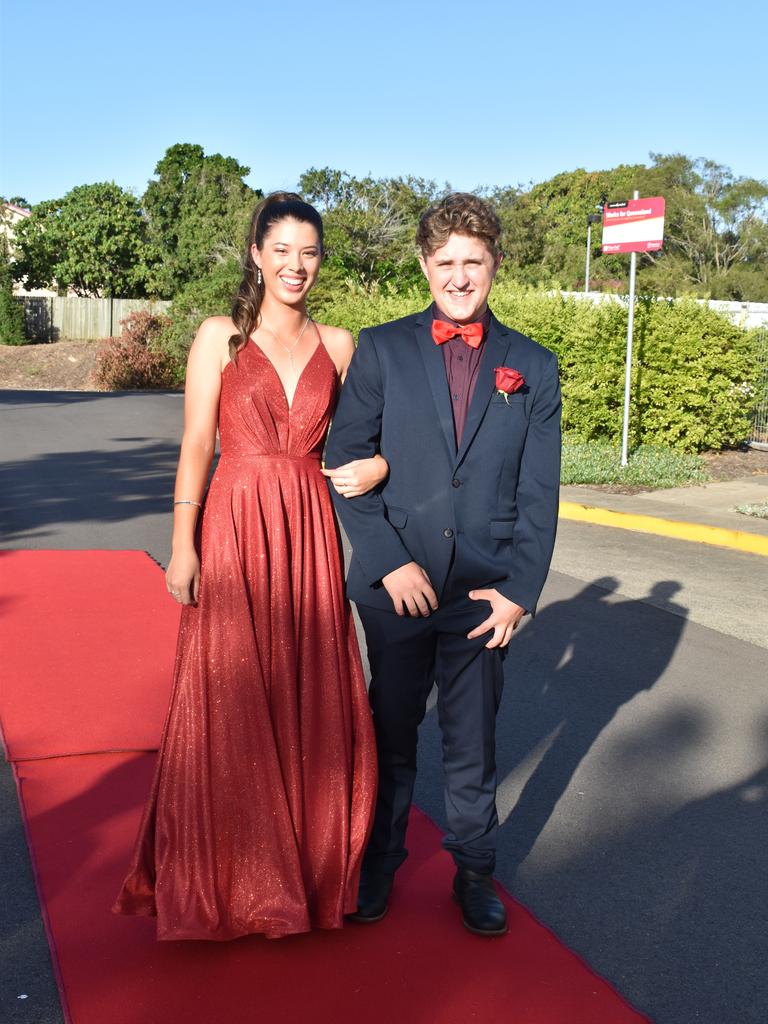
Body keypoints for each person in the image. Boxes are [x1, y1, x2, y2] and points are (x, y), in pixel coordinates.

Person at [114, 193, 383, 941]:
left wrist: (382, 461)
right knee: (231, 692)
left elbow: (364, 443)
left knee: (306, 695)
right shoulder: (220, 337)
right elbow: (198, 443)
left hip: (306, 530)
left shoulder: (341, 344)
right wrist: (182, 540)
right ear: (257, 254)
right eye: (284, 250)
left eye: (311, 252)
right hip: (234, 524)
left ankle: (304, 874)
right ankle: (228, 883)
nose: (297, 265)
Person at [324, 193, 561, 937]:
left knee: (473, 743)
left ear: (495, 264)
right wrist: (389, 564)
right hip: (396, 589)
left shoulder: (532, 366)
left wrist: (519, 591)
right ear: (425, 265)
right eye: (447, 262)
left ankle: (475, 871)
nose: (460, 277)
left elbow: (540, 492)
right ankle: (378, 866)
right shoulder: (383, 348)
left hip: (482, 592)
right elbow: (344, 461)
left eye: (474, 262)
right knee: (390, 735)